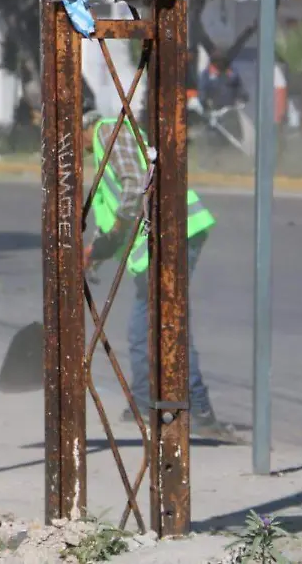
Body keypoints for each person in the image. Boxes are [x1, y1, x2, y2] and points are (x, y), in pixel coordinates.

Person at [81, 111, 239, 442]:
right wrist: (92, 254)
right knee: (143, 330)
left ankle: (198, 410)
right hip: (157, 243)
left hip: (171, 234)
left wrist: (117, 228)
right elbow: (115, 222)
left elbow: (136, 184)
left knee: (167, 323)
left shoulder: (108, 129)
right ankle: (142, 403)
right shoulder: (100, 151)